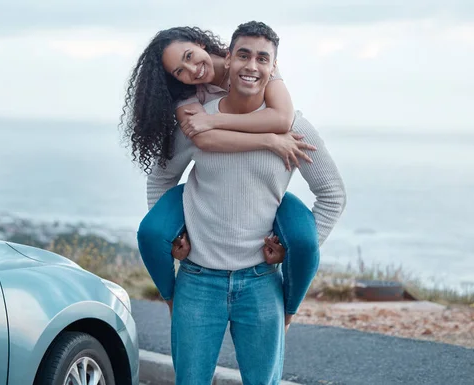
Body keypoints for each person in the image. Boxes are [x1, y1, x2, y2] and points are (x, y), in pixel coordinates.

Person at [144, 21, 346, 384]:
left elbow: (332, 194)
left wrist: (293, 248)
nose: (251, 66)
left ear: (273, 68)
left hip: (261, 284)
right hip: (197, 280)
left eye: (262, 59)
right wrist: (174, 233)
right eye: (243, 56)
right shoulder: (197, 120)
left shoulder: (294, 128)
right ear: (229, 58)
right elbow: (161, 177)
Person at [121, 25, 325, 329]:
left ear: (201, 43)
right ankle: (172, 301)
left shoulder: (250, 63)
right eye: (180, 70)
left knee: (303, 239)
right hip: (209, 195)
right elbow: (203, 141)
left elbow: (282, 118)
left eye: (190, 56)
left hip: (261, 195)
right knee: (150, 234)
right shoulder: (188, 98)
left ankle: (289, 311)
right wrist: (268, 140)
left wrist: (214, 120)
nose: (192, 69)